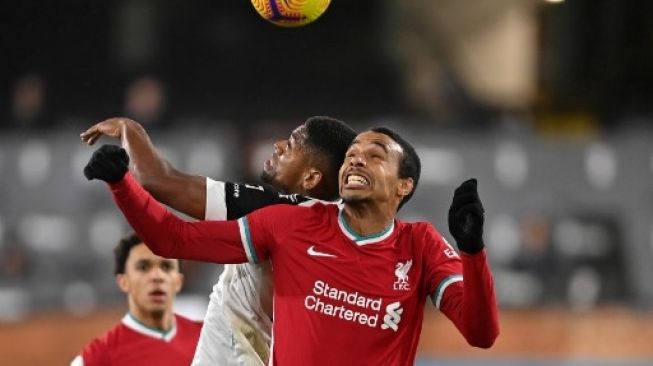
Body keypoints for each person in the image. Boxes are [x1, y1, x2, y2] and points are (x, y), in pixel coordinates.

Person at [83, 127, 500, 365]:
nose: (356, 159)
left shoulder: (420, 244)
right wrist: (122, 184)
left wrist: (472, 252)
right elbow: (173, 238)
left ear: (404, 185)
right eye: (352, 154)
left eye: (374, 155)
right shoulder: (292, 224)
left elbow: (481, 333)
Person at [80, 116, 358, 365]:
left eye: (293, 143)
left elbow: (159, 186)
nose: (278, 144)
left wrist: (131, 130)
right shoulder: (342, 234)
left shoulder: (283, 218)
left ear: (311, 178)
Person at [71, 233, 202, 366]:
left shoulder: (207, 337)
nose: (157, 276)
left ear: (179, 281)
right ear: (123, 281)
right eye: (143, 267)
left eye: (166, 267)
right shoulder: (98, 357)